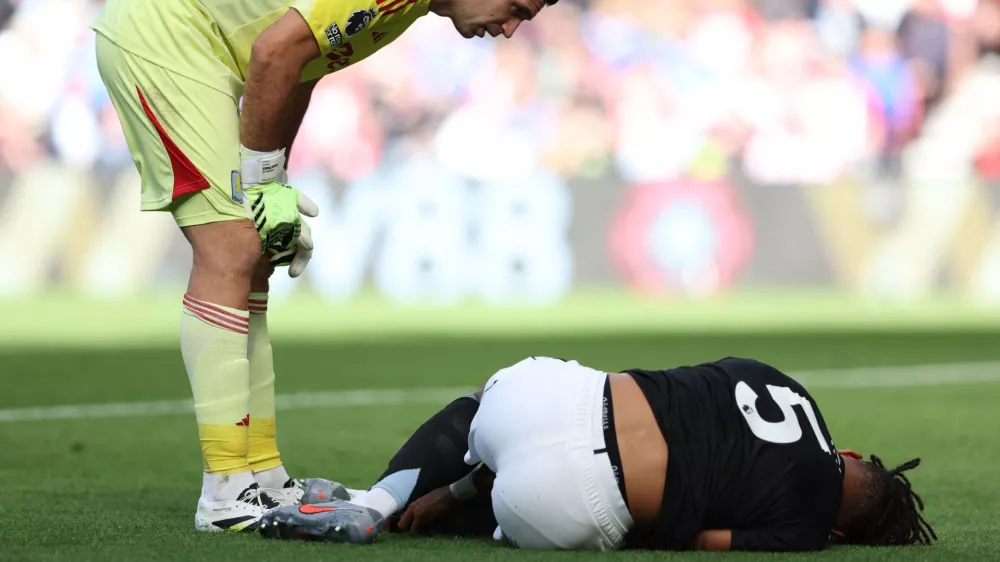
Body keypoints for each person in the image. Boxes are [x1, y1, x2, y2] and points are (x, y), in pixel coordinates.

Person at [91, 0, 556, 534]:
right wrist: (262, 180)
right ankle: (224, 491)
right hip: (166, 38)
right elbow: (272, 53)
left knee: (256, 250)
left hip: (200, 43)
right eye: (517, 7)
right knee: (232, 247)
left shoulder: (409, 9)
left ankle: (261, 476)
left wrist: (274, 185)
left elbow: (299, 71)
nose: (512, 27)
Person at [260, 356, 937, 551]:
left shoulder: (786, 386)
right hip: (561, 511)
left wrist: (463, 481)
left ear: (847, 449)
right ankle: (476, 504)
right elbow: (704, 540)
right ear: (844, 530)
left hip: (551, 403)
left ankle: (376, 501)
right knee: (559, 508)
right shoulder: (807, 531)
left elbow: (668, 394)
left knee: (482, 408)